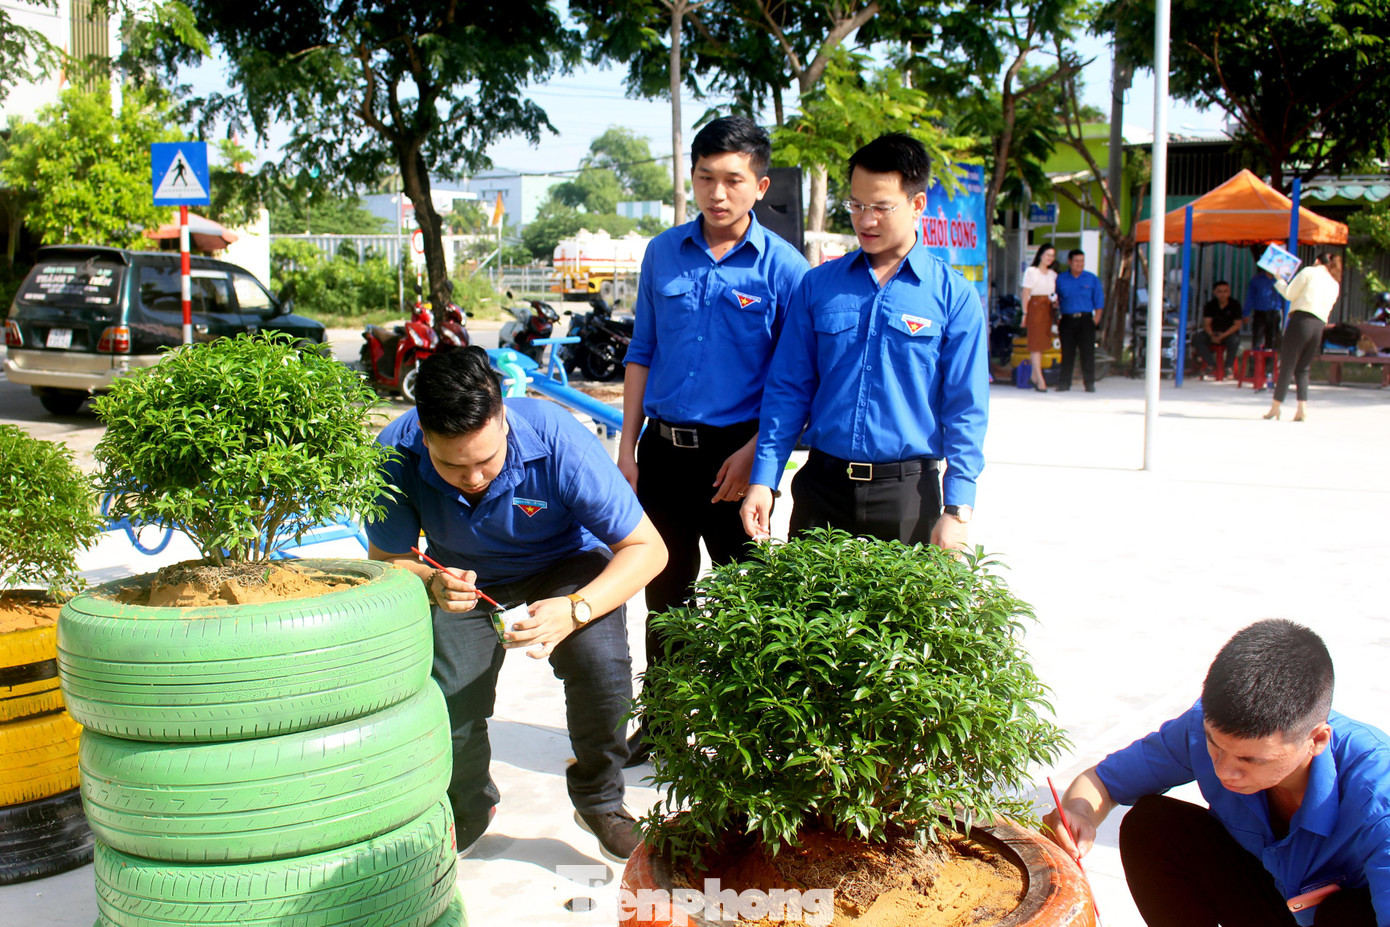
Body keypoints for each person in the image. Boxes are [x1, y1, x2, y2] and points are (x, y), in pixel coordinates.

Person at [366, 346, 668, 861]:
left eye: (485, 460)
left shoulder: (558, 439)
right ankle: (469, 803)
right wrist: (430, 581)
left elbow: (648, 549)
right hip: (456, 576)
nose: (474, 477)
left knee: (601, 666)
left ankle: (599, 796)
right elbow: (388, 558)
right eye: (450, 465)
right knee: (449, 692)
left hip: (563, 567)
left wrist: (577, 608)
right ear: (421, 433)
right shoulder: (393, 454)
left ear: (504, 415)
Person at [618, 116, 809, 766]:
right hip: (664, 454)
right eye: (705, 178)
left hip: (738, 461)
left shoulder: (786, 269)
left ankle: (745, 728)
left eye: (732, 180)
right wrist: (626, 451)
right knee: (663, 593)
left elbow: (796, 377)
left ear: (759, 185)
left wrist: (759, 452)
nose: (717, 193)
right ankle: (664, 722)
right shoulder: (663, 252)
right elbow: (641, 351)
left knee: (744, 601)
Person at [1044, 619, 1390, 927]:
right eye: (1215, 745)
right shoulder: (1200, 726)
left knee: (1344, 914)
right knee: (1152, 825)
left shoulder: (1379, 795)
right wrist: (1078, 813)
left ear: (1316, 740)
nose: (1225, 771)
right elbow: (1100, 782)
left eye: (1249, 760)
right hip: (1273, 898)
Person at [740, 132, 989, 550]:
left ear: (917, 205)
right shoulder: (818, 287)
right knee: (810, 613)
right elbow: (788, 390)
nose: (865, 220)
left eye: (880, 207)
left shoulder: (952, 296)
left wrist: (957, 510)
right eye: (856, 205)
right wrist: (764, 480)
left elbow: (966, 409)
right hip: (823, 490)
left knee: (902, 617)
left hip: (908, 495)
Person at [1264, 253, 1343, 422]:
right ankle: (1302, 408)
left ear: (1316, 261)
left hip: (1301, 321)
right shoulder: (1334, 284)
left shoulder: (1309, 272)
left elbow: (1289, 294)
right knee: (1303, 367)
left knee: (1287, 365)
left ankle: (1276, 407)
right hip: (1319, 326)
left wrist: (1279, 279)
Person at [1053, 249, 1105, 392]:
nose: (1079, 264)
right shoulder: (1061, 279)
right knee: (1067, 353)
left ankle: (1089, 383)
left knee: (1087, 353)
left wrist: (1095, 321)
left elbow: (1099, 302)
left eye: (1082, 261)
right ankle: (1064, 383)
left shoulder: (1091, 279)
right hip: (1067, 320)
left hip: (1086, 320)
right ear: (1069, 262)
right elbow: (1054, 299)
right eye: (1076, 261)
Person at [1020, 243, 1058, 392]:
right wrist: (1025, 313)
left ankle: (1034, 376)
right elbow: (1025, 294)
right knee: (1035, 344)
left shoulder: (1053, 274)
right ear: (1041, 255)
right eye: (1048, 254)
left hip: (1047, 309)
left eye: (1052, 255)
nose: (1050, 258)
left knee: (1042, 344)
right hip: (1034, 309)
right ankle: (1040, 378)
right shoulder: (1031, 272)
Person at [1192, 280, 1243, 378]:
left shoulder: (1235, 305)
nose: (1223, 294)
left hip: (1228, 334)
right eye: (1219, 291)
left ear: (1229, 292)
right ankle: (1210, 363)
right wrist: (1212, 335)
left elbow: (1237, 325)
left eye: (1225, 291)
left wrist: (1223, 335)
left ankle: (1228, 367)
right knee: (1197, 338)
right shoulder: (1210, 305)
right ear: (1215, 293)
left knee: (1234, 340)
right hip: (1213, 333)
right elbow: (1206, 323)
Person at [1246, 267, 1284, 352]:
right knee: (1257, 338)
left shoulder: (1280, 280)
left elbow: (1285, 297)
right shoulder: (1256, 279)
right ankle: (1255, 362)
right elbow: (1250, 297)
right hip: (1260, 312)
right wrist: (1246, 313)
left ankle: (1269, 363)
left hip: (1275, 312)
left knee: (1272, 339)